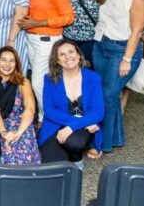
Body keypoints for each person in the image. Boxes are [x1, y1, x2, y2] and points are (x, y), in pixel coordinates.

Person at [92, 0, 144, 154]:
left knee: (108, 94)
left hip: (123, 50)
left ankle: (102, 144)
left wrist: (127, 59)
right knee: (108, 96)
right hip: (102, 46)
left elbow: (137, 31)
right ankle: (116, 138)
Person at [19, 0, 74, 117]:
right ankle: (47, 115)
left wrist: (40, 22)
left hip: (47, 40)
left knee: (37, 83)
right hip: (29, 39)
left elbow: (68, 17)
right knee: (43, 81)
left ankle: (47, 117)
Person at [39, 39, 104, 167]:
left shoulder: (94, 78)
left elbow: (98, 112)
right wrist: (77, 123)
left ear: (79, 55)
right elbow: (49, 110)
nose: (68, 56)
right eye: (62, 54)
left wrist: (72, 127)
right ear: (57, 61)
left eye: (71, 52)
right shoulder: (50, 79)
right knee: (50, 166)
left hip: (83, 123)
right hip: (57, 123)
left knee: (74, 143)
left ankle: (76, 159)